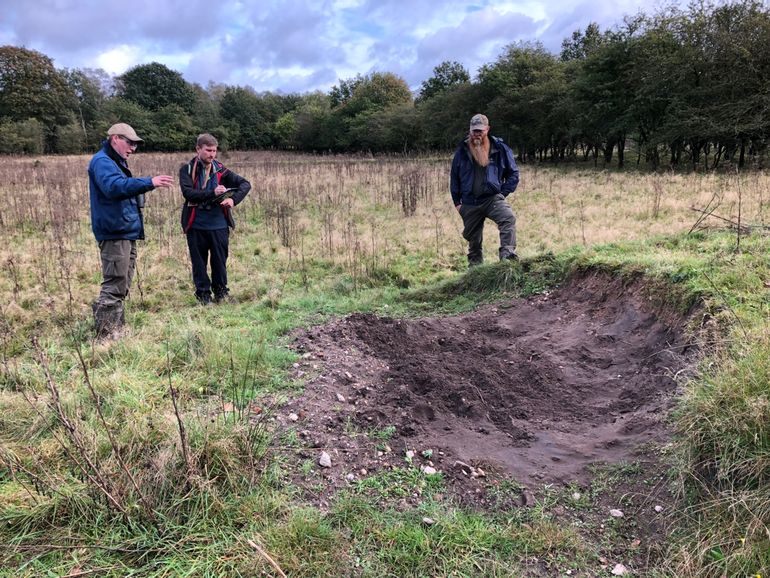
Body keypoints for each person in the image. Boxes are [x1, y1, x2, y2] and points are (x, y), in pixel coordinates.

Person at [89, 123, 174, 340]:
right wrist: (149, 182)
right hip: (114, 231)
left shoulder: (116, 162)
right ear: (115, 138)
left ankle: (116, 329)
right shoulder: (102, 162)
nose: (132, 148)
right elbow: (114, 188)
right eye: (129, 142)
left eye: (135, 144)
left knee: (122, 282)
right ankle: (106, 336)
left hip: (125, 230)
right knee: (114, 282)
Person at [179, 133, 251, 305]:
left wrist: (233, 200)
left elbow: (245, 184)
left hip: (218, 224)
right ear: (198, 149)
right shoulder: (186, 169)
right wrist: (213, 193)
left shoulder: (220, 169)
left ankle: (221, 293)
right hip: (196, 224)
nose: (212, 154)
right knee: (199, 263)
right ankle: (203, 296)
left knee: (220, 261)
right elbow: (188, 193)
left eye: (214, 151)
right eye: (208, 150)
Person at [450, 113, 520, 266]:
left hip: (492, 199)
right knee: (473, 240)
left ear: (487, 129)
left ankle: (507, 258)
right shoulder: (461, 151)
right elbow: (454, 178)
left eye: (480, 130)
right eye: (474, 130)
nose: (477, 134)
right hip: (469, 202)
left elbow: (513, 173)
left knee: (508, 219)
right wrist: (457, 203)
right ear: (470, 129)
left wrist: (502, 193)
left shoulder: (500, 148)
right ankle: (475, 271)